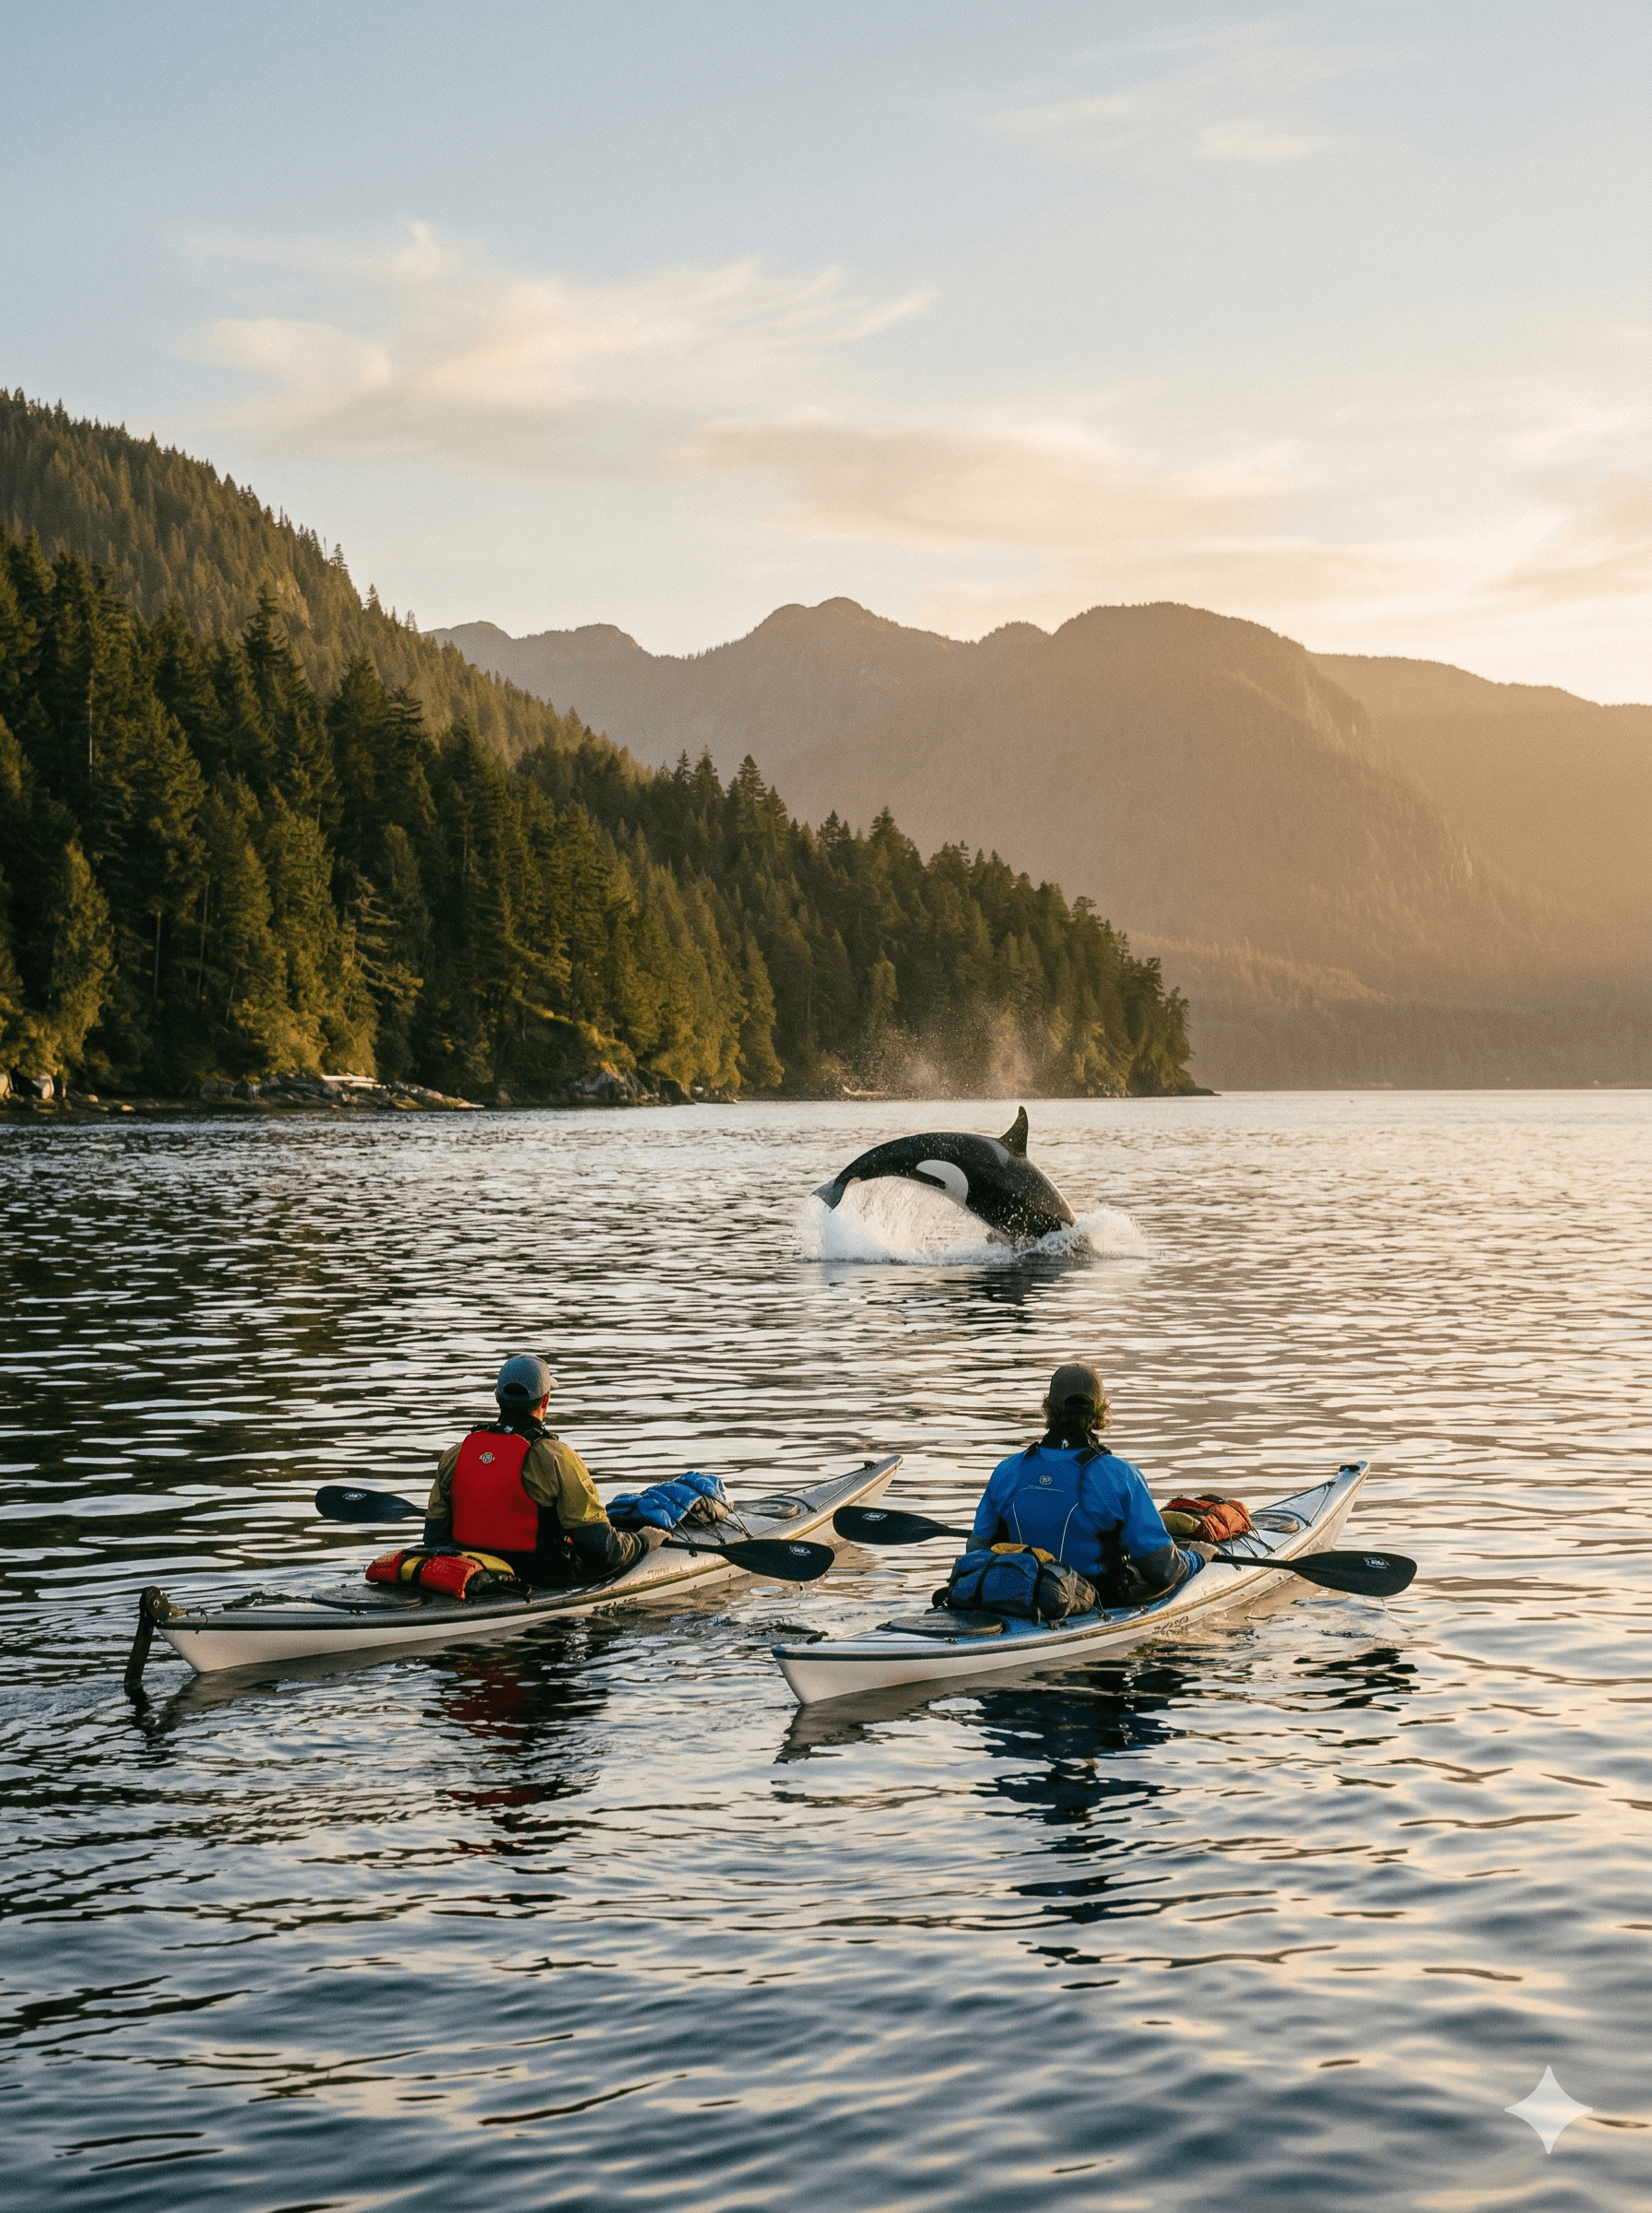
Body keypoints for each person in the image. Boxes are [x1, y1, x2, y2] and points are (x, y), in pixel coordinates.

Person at [972, 1362, 1211, 1602]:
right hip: (1097, 1601)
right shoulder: (1121, 1475)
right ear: (1099, 1414)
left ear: (1049, 1410)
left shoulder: (1007, 1470)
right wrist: (1198, 1558)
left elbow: (976, 1551)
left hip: (1016, 1597)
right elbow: (1164, 1570)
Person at [423, 1355, 666, 1587]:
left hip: (472, 1572)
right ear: (545, 1400)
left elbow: (434, 1539)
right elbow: (607, 1549)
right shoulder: (556, 1458)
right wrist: (645, 1540)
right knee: (615, 1557)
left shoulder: (455, 1454)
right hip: (543, 1575)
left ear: (497, 1397)